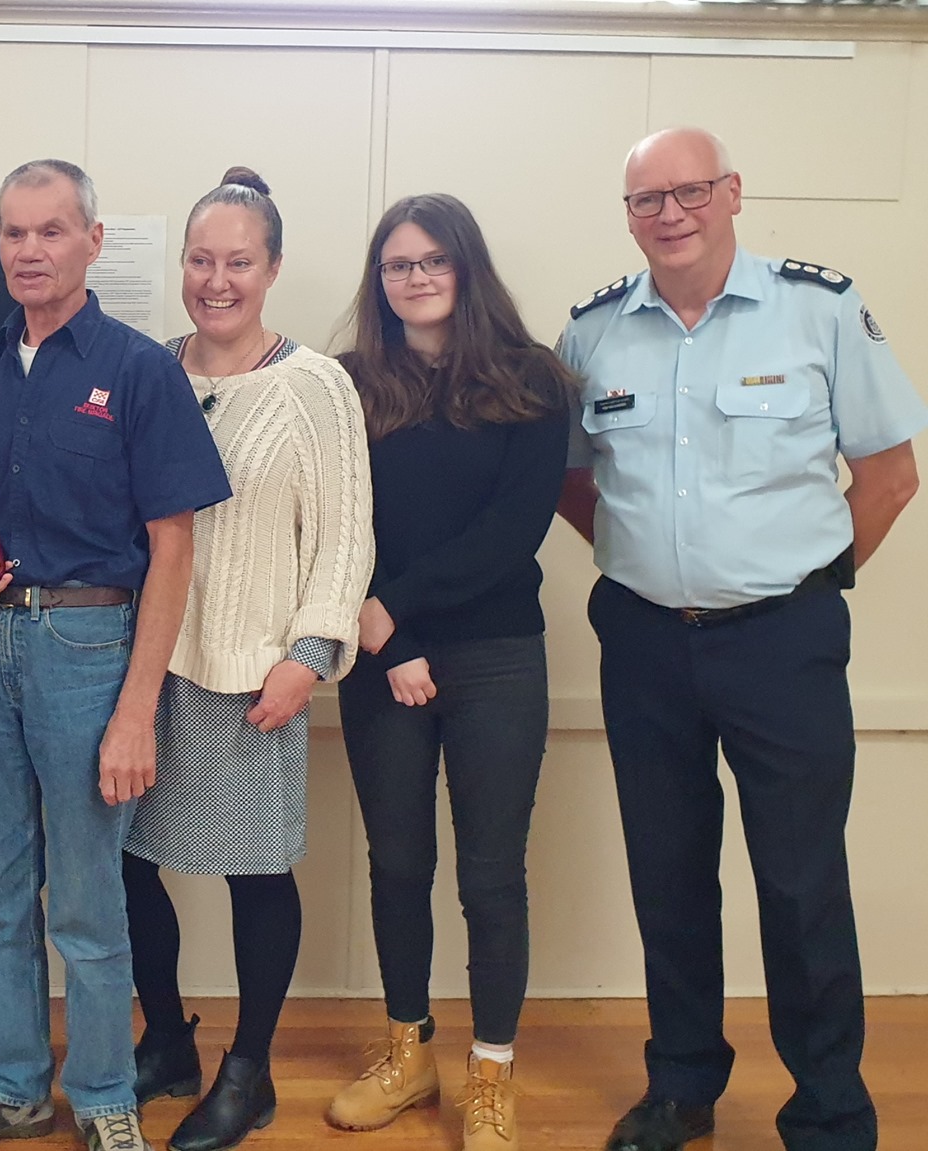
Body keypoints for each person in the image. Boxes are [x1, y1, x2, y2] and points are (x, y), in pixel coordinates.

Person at [557, 127, 923, 1151]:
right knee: (666, 873)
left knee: (801, 883)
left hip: (781, 644)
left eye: (689, 191)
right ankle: (679, 1085)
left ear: (731, 193)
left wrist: (805, 581)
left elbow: (889, 476)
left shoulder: (818, 309)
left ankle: (828, 1108)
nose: (669, 214)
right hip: (643, 643)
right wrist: (649, 560)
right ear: (628, 216)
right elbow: (571, 480)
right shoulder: (592, 332)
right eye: (646, 199)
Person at [0, 159, 231, 1151]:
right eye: (13, 232)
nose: (30, 249)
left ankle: (101, 1093)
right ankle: (10, 1083)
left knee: (87, 900)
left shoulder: (138, 369)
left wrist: (135, 711)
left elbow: (173, 547)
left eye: (51, 230)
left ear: (91, 240)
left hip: (88, 649)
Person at [121, 167, 372, 1151]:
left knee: (255, 873)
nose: (215, 280)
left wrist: (309, 654)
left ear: (271, 268)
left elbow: (345, 535)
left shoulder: (316, 386)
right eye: (199, 259)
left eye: (237, 261)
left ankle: (248, 1070)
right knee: (126, 865)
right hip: (142, 668)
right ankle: (165, 1040)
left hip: (254, 675)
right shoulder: (146, 370)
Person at [327, 193, 576, 1151]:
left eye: (433, 259)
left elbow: (513, 531)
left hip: (497, 654)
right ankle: (409, 1053)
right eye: (397, 264)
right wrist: (389, 642)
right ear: (379, 281)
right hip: (379, 656)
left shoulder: (532, 378)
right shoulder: (350, 384)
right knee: (398, 863)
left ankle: (492, 1072)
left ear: (465, 267)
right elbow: (337, 525)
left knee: (490, 874)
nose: (416, 277)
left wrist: (399, 608)